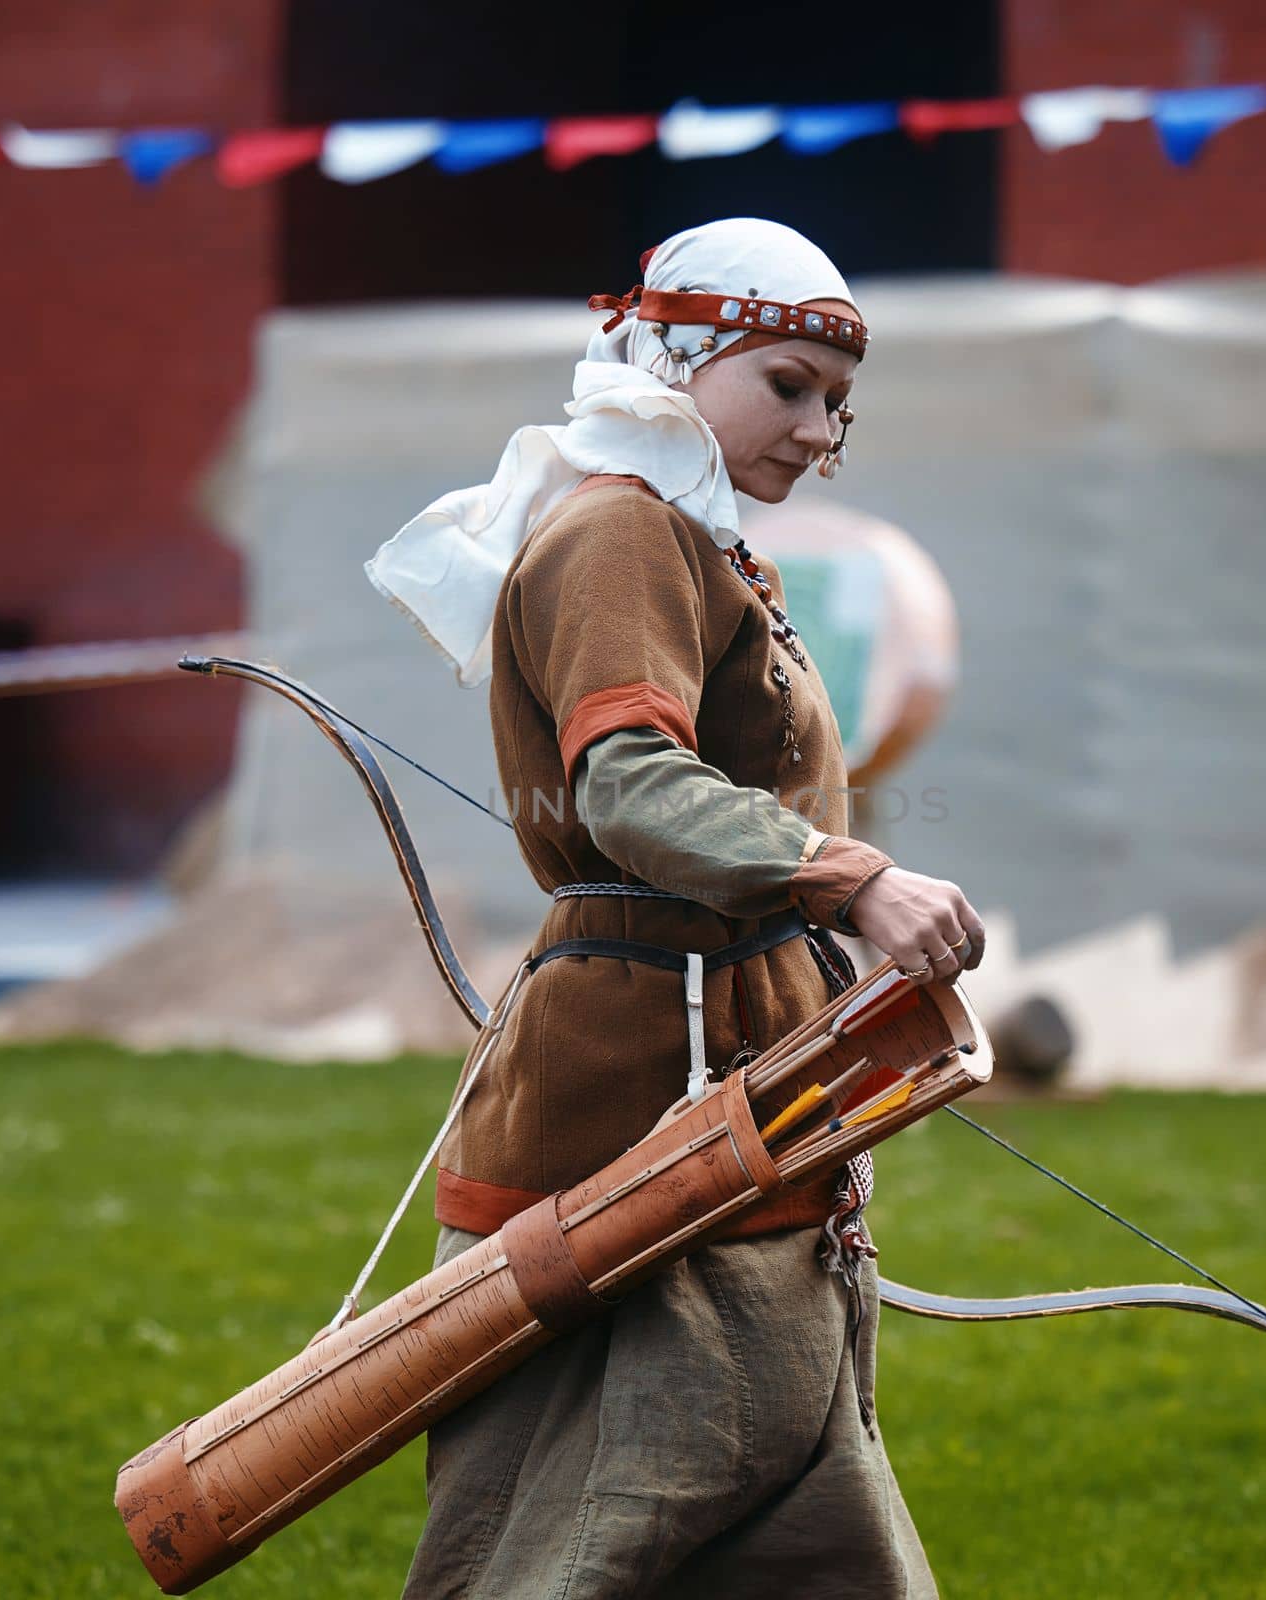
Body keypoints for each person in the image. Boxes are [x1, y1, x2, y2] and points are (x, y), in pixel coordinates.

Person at [368, 217, 984, 1600]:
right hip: (638, 1082)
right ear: (677, 356)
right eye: (786, 385)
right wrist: (859, 876)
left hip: (745, 1053)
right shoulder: (617, 533)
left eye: (837, 405)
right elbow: (631, 789)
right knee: (604, 1518)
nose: (820, 430)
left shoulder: (685, 536)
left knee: (795, 1488)